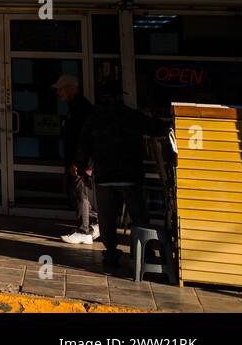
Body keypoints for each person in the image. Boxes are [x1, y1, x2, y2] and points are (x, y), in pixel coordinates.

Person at [74, 83, 168, 270]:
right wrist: (157, 114)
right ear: (120, 98)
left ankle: (110, 255)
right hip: (130, 176)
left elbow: (83, 144)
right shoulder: (131, 115)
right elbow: (156, 128)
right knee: (139, 216)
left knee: (107, 218)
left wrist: (83, 168)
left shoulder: (95, 118)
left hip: (105, 176)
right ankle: (144, 252)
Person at [54, 74, 97, 244]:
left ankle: (84, 230)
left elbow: (82, 138)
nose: (58, 93)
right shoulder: (75, 107)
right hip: (79, 159)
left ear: (71, 88)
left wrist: (78, 162)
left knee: (81, 193)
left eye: (61, 89)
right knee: (79, 192)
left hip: (80, 161)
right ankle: (91, 225)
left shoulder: (80, 108)